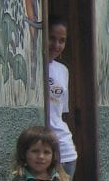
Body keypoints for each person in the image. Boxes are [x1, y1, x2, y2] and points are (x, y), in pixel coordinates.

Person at [46, 15, 77, 179]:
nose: (56, 45)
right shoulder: (33, 66)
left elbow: (60, 113)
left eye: (62, 40)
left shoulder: (63, 70)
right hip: (42, 152)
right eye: (51, 38)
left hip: (66, 150)